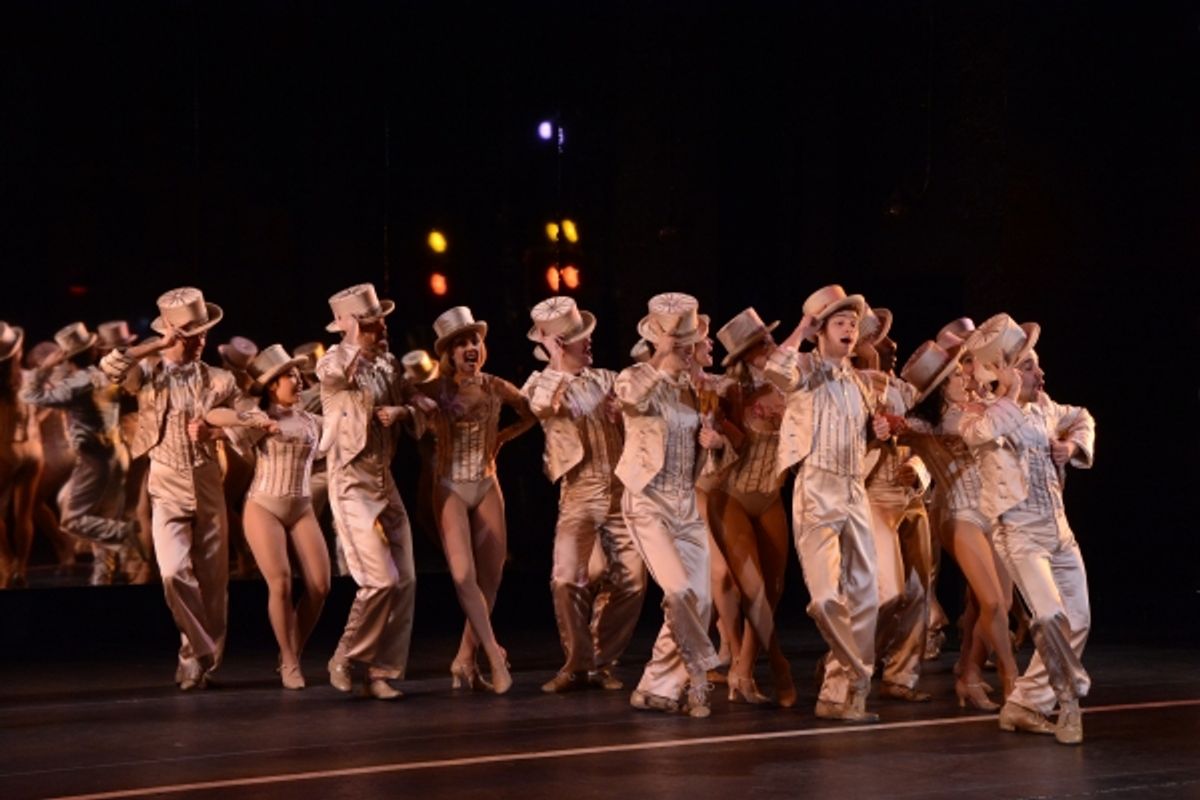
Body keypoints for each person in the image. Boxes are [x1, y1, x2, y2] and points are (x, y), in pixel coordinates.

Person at [99, 287, 244, 689]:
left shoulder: (219, 378)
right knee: (173, 572)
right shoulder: (149, 371)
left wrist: (216, 430)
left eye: (204, 333)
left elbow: (245, 422)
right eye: (191, 334)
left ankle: (196, 660)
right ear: (172, 335)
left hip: (208, 479)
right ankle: (201, 649)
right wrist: (154, 346)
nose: (201, 341)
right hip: (165, 479)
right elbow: (110, 369)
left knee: (214, 580)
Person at [960, 318, 1094, 745]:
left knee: (1079, 620)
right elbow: (985, 435)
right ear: (1008, 372)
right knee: (1051, 615)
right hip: (1019, 534)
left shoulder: (1046, 408)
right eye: (1031, 366)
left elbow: (1083, 417)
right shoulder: (977, 416)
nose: (1041, 373)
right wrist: (1011, 393)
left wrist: (1070, 447)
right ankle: (1069, 696)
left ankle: (1024, 705)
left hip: (1059, 531)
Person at [764, 285, 892, 723]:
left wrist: (876, 434)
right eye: (840, 323)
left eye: (853, 324)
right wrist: (802, 328)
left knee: (865, 597)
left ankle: (840, 694)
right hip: (817, 487)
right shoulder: (805, 368)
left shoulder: (860, 383)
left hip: (855, 489)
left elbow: (864, 442)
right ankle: (859, 671)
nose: (850, 330)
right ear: (821, 331)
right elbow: (773, 371)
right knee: (823, 598)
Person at [523, 296, 645, 693]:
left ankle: (599, 662)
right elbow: (542, 407)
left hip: (619, 489)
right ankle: (577, 664)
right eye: (576, 338)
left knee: (631, 582)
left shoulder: (609, 378)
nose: (587, 342)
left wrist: (622, 413)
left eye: (586, 334)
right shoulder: (539, 383)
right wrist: (557, 365)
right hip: (580, 491)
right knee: (565, 578)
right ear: (556, 346)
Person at [897, 331, 1020, 710]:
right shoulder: (929, 424)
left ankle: (969, 674)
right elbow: (900, 430)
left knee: (995, 602)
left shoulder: (977, 408)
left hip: (990, 512)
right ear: (938, 387)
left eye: (963, 370)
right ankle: (1011, 681)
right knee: (993, 603)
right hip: (957, 513)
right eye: (955, 375)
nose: (965, 378)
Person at [416, 306, 535, 694]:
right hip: (449, 484)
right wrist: (417, 410)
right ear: (448, 354)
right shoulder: (436, 389)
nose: (471, 348)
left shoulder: (496, 386)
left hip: (486, 481)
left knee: (492, 577)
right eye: (461, 343)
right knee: (464, 575)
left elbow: (530, 413)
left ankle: (464, 659)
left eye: (475, 341)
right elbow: (406, 401)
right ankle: (493, 656)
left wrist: (503, 438)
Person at [618, 292, 724, 718]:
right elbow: (630, 400)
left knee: (699, 598)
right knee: (678, 591)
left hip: (685, 506)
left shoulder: (697, 391)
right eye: (681, 343)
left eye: (690, 342)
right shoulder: (633, 377)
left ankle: (656, 687)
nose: (689, 350)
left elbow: (711, 458)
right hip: (647, 502)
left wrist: (715, 445)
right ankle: (699, 676)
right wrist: (662, 357)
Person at [318, 283, 425, 700]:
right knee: (378, 580)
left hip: (384, 477)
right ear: (349, 325)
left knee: (406, 579)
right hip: (350, 480)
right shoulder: (332, 361)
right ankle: (345, 656)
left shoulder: (388, 363)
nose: (381, 327)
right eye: (371, 321)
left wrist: (404, 410)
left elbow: (410, 402)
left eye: (381, 319)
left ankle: (380, 671)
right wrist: (354, 337)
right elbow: (335, 376)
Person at [216, 344, 331, 690]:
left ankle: (290, 652)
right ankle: (291, 661)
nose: (298, 381)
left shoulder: (312, 420)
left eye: (298, 375)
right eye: (290, 376)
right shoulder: (259, 418)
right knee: (280, 583)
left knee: (320, 586)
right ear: (271, 385)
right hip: (263, 505)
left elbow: (348, 423)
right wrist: (247, 419)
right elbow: (213, 417)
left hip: (301, 506)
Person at [708, 307, 797, 706]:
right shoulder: (730, 391)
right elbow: (732, 448)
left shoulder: (791, 387)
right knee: (754, 590)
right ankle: (778, 665)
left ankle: (742, 669)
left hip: (771, 495)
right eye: (761, 345)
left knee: (774, 591)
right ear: (745, 356)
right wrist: (723, 426)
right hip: (733, 496)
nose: (770, 348)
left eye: (770, 340)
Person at [21, 323, 143, 573]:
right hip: (115, 449)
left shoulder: (79, 382)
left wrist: (45, 369)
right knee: (105, 511)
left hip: (97, 455)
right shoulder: (104, 374)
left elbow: (32, 400)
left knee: (71, 516)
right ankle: (107, 571)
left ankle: (127, 539)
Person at [0, 321, 43, 588]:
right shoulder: (29, 378)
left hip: (4, 451)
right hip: (33, 451)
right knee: (24, 514)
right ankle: (22, 568)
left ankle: (6, 563)